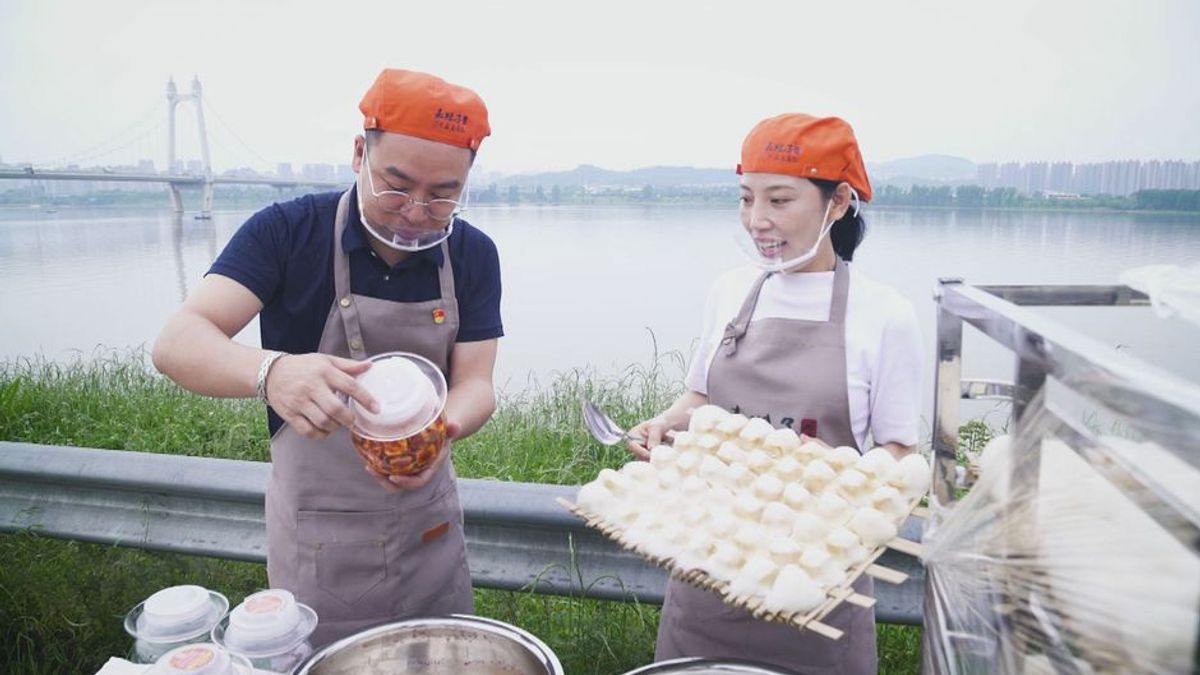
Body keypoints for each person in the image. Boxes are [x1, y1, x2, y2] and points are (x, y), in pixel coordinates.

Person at [152, 68, 503, 646]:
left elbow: (477, 384)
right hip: (319, 539)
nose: (415, 211)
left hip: (427, 527)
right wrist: (271, 372)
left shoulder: (471, 254)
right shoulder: (286, 233)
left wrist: (439, 431)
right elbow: (178, 342)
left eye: (443, 195)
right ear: (360, 152)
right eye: (397, 184)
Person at [626, 113, 922, 674]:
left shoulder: (884, 314)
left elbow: (900, 452)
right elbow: (701, 401)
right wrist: (665, 424)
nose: (756, 221)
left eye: (779, 200)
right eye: (746, 199)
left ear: (837, 203)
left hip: (816, 586)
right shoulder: (731, 291)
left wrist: (828, 492)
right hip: (707, 569)